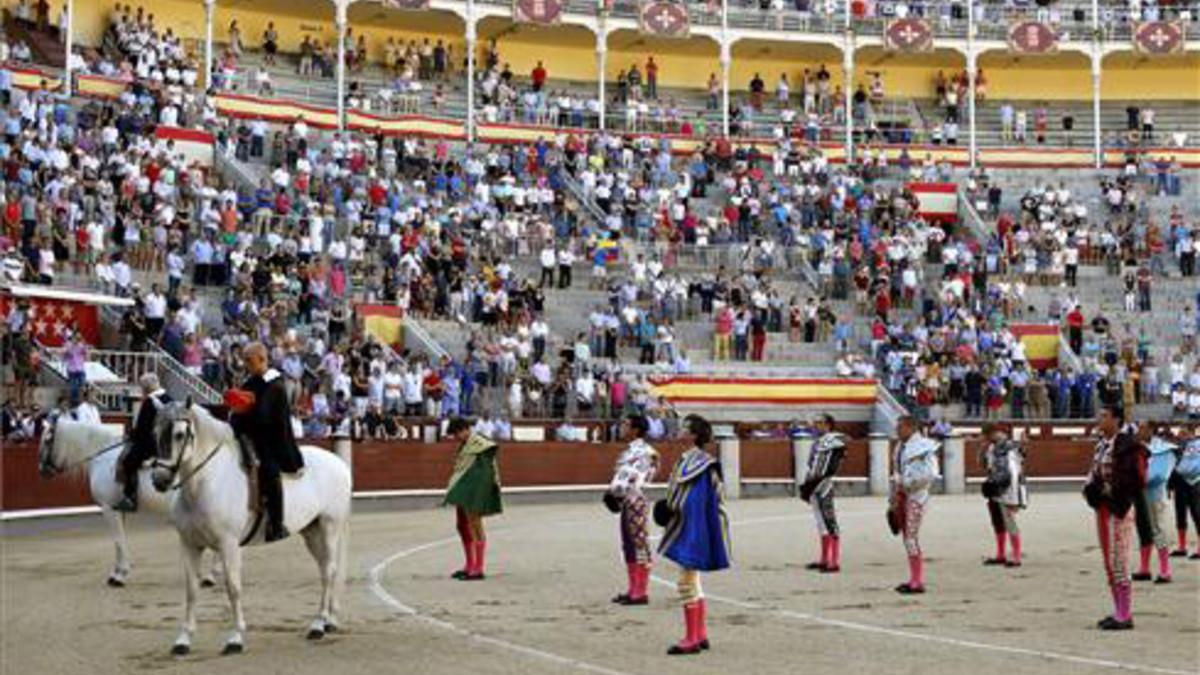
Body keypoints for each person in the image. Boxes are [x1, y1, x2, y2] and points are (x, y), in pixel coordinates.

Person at [655, 415, 730, 655]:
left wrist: (672, 509)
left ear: (694, 436)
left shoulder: (698, 463)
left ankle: (692, 638)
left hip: (692, 528)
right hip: (695, 526)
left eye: (685, 428)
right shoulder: (698, 461)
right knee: (693, 580)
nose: (680, 430)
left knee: (686, 581)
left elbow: (695, 502)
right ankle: (700, 633)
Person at [229, 342, 305, 542]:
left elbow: (263, 416)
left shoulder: (275, 384)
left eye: (249, 361)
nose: (245, 364)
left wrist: (241, 414)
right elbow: (241, 408)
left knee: (269, 470)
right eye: (245, 360)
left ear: (262, 359)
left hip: (271, 440)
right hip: (249, 436)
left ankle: (276, 524)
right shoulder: (252, 381)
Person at [1083, 406, 1142, 630]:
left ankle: (1125, 614)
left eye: (1105, 416)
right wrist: (1092, 490)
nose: (1100, 419)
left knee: (1119, 561)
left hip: (1120, 507)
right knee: (1110, 561)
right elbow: (1093, 473)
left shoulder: (1126, 445)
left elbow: (1129, 480)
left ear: (1116, 420)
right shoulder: (1102, 444)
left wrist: (1108, 491)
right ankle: (1119, 610)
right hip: (1103, 507)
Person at [604, 414, 659, 606]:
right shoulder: (631, 451)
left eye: (625, 425)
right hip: (628, 500)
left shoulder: (646, 452)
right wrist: (613, 493)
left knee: (639, 544)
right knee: (628, 544)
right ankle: (633, 589)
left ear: (635, 429)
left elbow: (638, 478)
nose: (621, 427)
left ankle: (640, 592)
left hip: (636, 500)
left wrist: (616, 492)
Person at [443, 417, 502, 581]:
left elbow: (485, 472)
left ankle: (478, 568)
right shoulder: (465, 445)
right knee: (462, 526)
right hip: (465, 491)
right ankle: (469, 565)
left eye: (456, 434)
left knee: (475, 525)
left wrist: (477, 493)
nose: (456, 438)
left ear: (465, 429)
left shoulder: (481, 444)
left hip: (474, 492)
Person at [888, 415, 940, 594]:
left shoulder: (924, 446)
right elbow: (896, 472)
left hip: (917, 497)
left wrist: (908, 484)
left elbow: (931, 474)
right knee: (907, 538)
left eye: (900, 427)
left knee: (911, 538)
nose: (897, 431)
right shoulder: (900, 447)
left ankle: (917, 582)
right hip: (903, 496)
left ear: (911, 427)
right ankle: (914, 579)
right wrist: (895, 494)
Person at [114, 374, 172, 512]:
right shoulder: (170, 399)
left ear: (147, 387)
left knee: (128, 462)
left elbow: (142, 428)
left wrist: (130, 435)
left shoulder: (150, 401)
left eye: (142, 387)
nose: (142, 390)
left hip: (151, 445)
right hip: (168, 444)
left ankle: (130, 498)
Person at [799, 414, 846, 573]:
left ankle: (834, 561)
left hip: (824, 484)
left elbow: (831, 467)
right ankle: (825, 559)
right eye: (816, 422)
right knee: (821, 522)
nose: (816, 425)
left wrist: (818, 482)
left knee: (829, 521)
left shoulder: (834, 441)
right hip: (814, 484)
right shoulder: (819, 442)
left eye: (819, 423)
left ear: (828, 425)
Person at [979, 423, 1027, 567]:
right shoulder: (992, 447)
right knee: (997, 520)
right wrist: (981, 451)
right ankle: (1000, 554)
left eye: (986, 436)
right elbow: (984, 465)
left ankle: (1016, 557)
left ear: (992, 433)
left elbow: (1019, 463)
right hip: (994, 486)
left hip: (1008, 488)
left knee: (1009, 520)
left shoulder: (1011, 446)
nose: (985, 439)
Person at [1132, 425, 1176, 583]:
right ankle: (1144, 568)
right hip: (1140, 495)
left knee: (1158, 529)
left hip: (1155, 496)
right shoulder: (1139, 448)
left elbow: (1161, 475)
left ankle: (1165, 570)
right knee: (1143, 530)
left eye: (1142, 428)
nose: (1139, 432)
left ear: (1151, 430)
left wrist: (1137, 480)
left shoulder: (1164, 449)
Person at [1169, 433, 1200, 558]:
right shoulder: (1182, 445)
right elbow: (1175, 465)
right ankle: (1182, 546)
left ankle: (1192, 547)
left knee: (1196, 514)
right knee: (1182, 513)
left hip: (1194, 481)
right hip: (1184, 480)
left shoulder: (1185, 445)